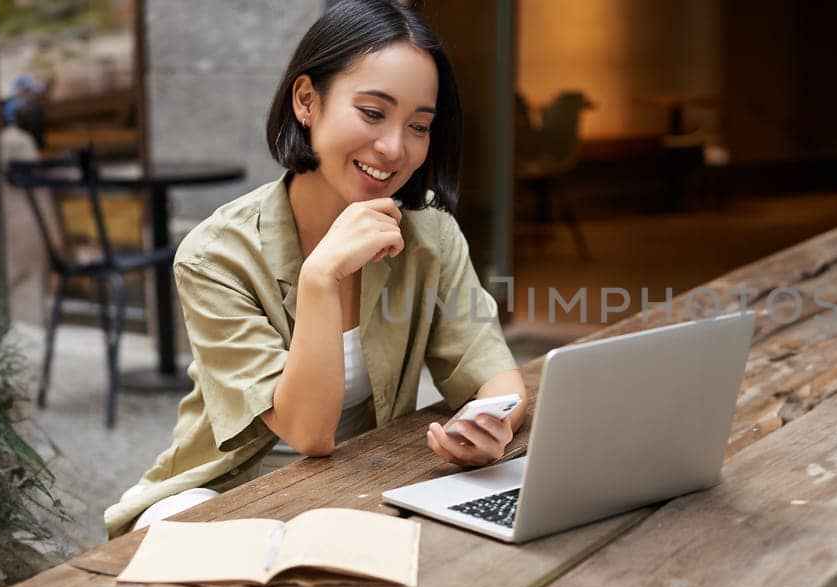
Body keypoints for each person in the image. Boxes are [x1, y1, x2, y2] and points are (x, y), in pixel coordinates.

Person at [103, 0, 526, 538]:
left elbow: (491, 369)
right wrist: (321, 276)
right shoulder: (216, 255)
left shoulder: (429, 236)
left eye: (419, 125)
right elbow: (308, 432)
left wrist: (492, 424)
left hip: (356, 487)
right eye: (373, 113)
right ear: (307, 100)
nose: (394, 147)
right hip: (223, 496)